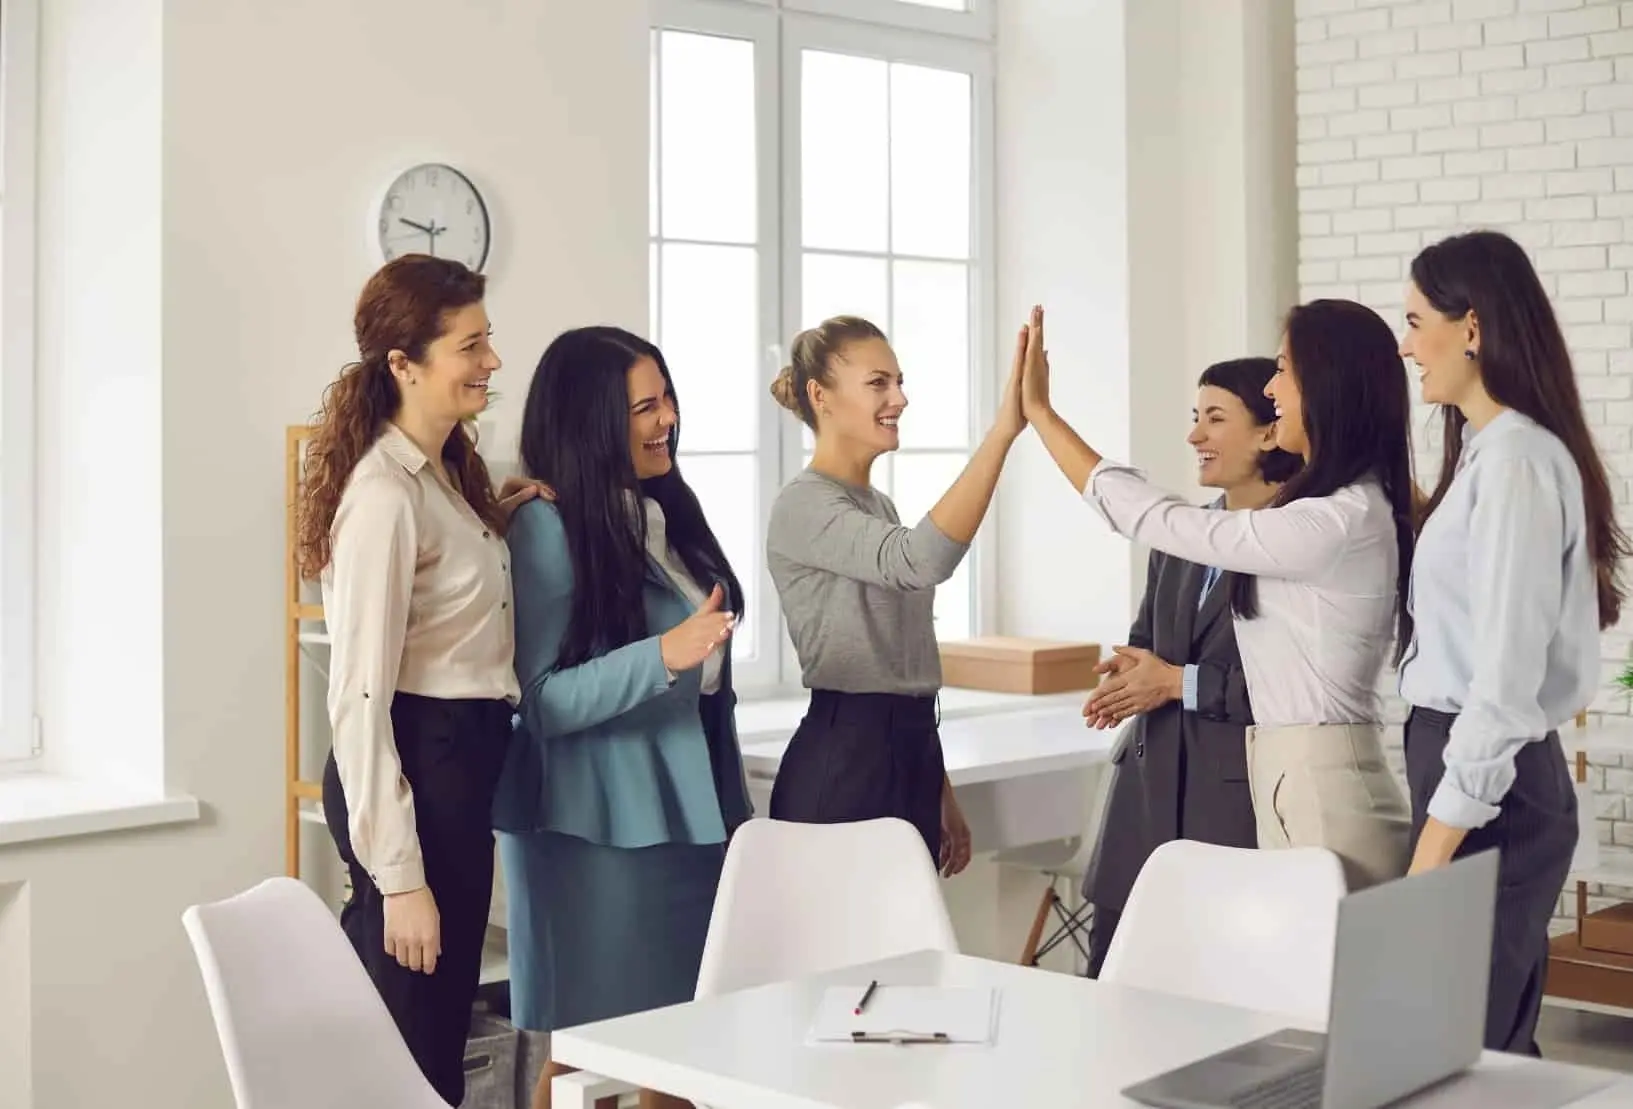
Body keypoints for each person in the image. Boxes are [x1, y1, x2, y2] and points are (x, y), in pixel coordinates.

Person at [1020, 303, 1415, 891]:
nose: (1273, 387)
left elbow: (1159, 520)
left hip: (1318, 779)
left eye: (1283, 370)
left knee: (1328, 978)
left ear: (1326, 385)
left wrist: (1042, 417)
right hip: (1288, 771)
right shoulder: (1337, 510)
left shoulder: (1335, 520)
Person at [296, 254, 538, 1106]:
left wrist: (497, 516)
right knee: (410, 1063)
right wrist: (400, 878)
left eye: (488, 340)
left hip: (456, 768)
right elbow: (358, 696)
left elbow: (445, 609)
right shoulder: (383, 495)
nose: (491, 362)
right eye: (471, 345)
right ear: (404, 363)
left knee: (430, 1049)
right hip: (414, 769)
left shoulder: (442, 474)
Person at [493, 326, 750, 1109]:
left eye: (666, 396)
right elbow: (541, 700)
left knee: (680, 1057)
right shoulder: (544, 525)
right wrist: (664, 653)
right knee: (583, 1058)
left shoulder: (664, 510)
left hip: (689, 818)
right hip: (592, 834)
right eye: (643, 404)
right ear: (591, 418)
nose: (665, 417)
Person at [1397, 229, 1623, 1055]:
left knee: (1461, 1052)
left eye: (1416, 319)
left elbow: (1502, 680)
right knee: (1468, 1045)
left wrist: (1435, 839)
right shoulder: (1486, 456)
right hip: (1465, 769)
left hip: (1489, 785)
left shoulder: (1518, 461)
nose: (1405, 343)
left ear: (1472, 326)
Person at [764, 314, 1028, 876]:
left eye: (900, 381)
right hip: (844, 767)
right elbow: (921, 559)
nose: (900, 398)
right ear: (821, 396)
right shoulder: (804, 505)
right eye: (878, 382)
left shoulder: (876, 506)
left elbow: (901, 663)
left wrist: (938, 788)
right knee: (846, 957)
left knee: (903, 959)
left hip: (908, 755)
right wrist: (1002, 433)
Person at [1080, 357, 1302, 976]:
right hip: (1144, 801)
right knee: (1112, 985)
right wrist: (1127, 677)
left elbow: (1301, 687)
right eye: (1194, 418)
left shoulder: (1297, 538)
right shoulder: (1179, 533)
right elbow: (1147, 639)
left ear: (1267, 433)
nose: (1195, 435)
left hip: (1231, 803)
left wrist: (1178, 684)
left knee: (1218, 997)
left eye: (1214, 418)